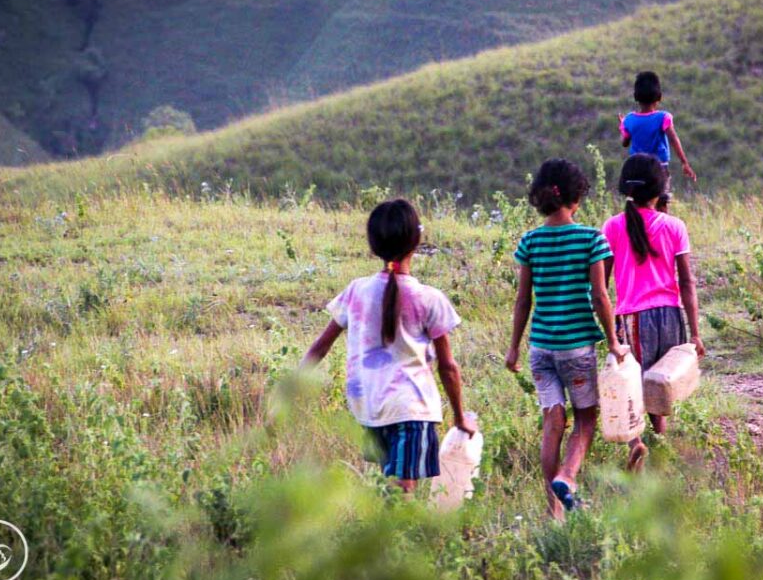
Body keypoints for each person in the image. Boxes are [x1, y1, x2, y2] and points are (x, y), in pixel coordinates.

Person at [299, 199, 476, 494]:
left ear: (373, 245)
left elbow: (319, 347)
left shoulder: (356, 291)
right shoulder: (428, 298)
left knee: (389, 483)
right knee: (402, 488)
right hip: (411, 408)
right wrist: (459, 416)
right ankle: (398, 540)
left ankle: (387, 536)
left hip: (367, 406)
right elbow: (448, 367)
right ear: (416, 242)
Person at [505, 158, 625, 520]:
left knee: (553, 422)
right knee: (586, 418)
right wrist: (615, 341)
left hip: (540, 348)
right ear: (576, 197)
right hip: (576, 348)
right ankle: (568, 478)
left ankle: (552, 510)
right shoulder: (591, 238)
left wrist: (513, 347)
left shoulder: (530, 241)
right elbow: (600, 296)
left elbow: (523, 299)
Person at [602, 154, 706, 472]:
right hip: (671, 315)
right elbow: (686, 281)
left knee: (633, 383)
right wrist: (695, 332)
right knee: (659, 383)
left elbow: (601, 284)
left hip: (633, 317)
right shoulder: (674, 226)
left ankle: (637, 443)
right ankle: (659, 441)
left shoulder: (613, 227)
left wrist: (606, 326)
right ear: (659, 190)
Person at [617, 71, 696, 210]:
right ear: (659, 97)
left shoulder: (629, 119)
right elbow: (673, 139)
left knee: (639, 204)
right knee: (661, 202)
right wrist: (684, 162)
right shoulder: (663, 118)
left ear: (636, 97)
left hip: (637, 168)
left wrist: (623, 126)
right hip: (659, 167)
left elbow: (625, 142)